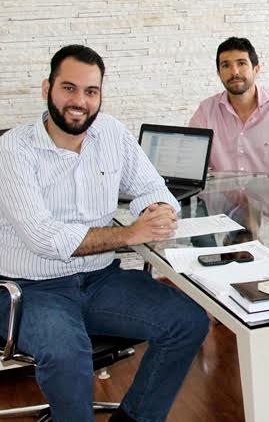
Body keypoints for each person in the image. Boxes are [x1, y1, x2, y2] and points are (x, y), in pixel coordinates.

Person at [0, 45, 209, 422]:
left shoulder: (110, 132)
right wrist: (129, 234)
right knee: (67, 353)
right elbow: (45, 238)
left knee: (188, 321)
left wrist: (157, 210)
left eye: (91, 91)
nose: (79, 101)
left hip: (100, 280)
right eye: (69, 88)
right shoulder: (14, 148)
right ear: (47, 88)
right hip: (31, 289)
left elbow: (153, 186)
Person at [189, 36, 269, 176]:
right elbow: (192, 162)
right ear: (219, 74)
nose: (234, 72)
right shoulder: (206, 111)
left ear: (256, 69)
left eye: (241, 63)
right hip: (220, 191)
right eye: (226, 65)